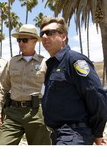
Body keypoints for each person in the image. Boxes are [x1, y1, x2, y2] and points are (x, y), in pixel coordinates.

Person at [40, 16, 107, 145]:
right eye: (42, 33)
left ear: (63, 36)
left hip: (74, 134)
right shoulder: (52, 65)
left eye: (50, 33)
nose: (44, 36)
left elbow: (96, 96)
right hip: (59, 135)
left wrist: (98, 133)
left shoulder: (74, 60)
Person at [0, 24, 51, 145]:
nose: (21, 43)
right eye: (19, 40)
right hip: (13, 113)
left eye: (24, 40)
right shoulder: (12, 62)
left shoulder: (45, 63)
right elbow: (2, 87)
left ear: (35, 41)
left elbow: (52, 91)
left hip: (37, 114)